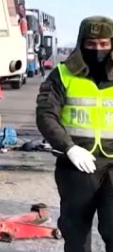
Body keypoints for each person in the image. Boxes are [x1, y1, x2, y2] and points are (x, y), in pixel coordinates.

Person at [36, 16, 113, 252]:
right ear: (81, 43)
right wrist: (69, 147)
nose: (97, 50)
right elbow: (46, 114)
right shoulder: (62, 74)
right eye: (91, 44)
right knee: (76, 232)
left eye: (103, 44)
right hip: (77, 165)